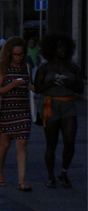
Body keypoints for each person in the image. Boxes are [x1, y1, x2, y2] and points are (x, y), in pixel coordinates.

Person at [32, 33, 83, 189]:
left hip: (68, 105)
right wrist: (51, 83)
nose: (62, 50)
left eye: (64, 47)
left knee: (70, 141)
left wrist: (68, 83)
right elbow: (37, 88)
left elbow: (80, 89)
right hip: (51, 105)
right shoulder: (45, 68)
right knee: (51, 143)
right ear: (51, 49)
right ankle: (50, 176)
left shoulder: (73, 67)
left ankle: (64, 171)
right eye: (58, 47)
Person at [0, 36, 34, 191]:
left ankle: (22, 181)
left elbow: (30, 85)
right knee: (5, 144)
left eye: (21, 54)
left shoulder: (26, 68)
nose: (19, 57)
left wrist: (32, 87)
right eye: (16, 54)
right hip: (6, 111)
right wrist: (12, 85)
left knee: (22, 144)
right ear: (9, 54)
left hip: (23, 111)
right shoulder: (2, 69)